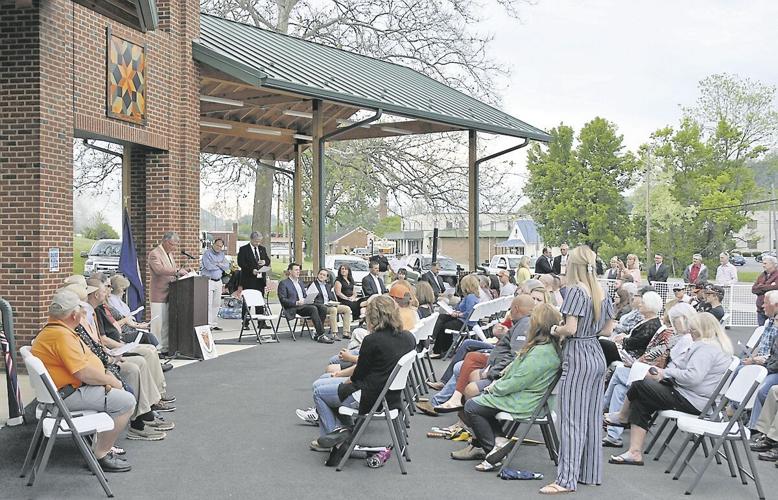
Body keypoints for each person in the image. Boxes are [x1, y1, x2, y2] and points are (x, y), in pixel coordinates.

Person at [606, 312, 733, 467]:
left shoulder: (706, 349)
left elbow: (692, 377)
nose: (690, 333)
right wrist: (667, 373)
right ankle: (634, 451)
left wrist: (665, 373)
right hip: (694, 396)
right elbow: (680, 366)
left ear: (702, 330)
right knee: (643, 397)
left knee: (640, 384)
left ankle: (623, 417)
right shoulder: (712, 346)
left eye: (693, 330)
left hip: (693, 400)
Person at [31, 289, 136, 472]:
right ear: (73, 315)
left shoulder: (57, 330)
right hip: (67, 395)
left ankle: (99, 446)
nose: (83, 313)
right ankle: (100, 454)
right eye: (80, 310)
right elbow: (83, 373)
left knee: (122, 393)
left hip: (63, 392)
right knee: (126, 402)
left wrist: (104, 377)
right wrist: (110, 381)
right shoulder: (61, 336)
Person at [540, 245, 615, 495]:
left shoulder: (574, 291)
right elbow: (607, 330)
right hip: (596, 352)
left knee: (571, 419)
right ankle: (589, 473)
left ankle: (566, 479)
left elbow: (570, 328)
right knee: (592, 419)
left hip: (578, 354)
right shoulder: (602, 291)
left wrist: (555, 330)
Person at [456, 303, 562, 471]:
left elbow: (519, 380)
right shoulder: (544, 347)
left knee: (471, 405)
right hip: (527, 396)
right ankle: (499, 442)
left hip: (527, 401)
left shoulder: (541, 352)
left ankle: (492, 450)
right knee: (476, 401)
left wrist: (495, 387)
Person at [309, 295, 415, 451]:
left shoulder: (373, 340)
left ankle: (332, 437)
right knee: (326, 382)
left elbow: (358, 376)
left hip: (369, 396)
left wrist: (342, 381)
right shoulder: (408, 337)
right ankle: (344, 429)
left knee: (319, 392)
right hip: (390, 395)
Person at [601, 301, 695, 447]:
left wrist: (644, 365)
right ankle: (613, 433)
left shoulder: (685, 338)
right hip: (661, 374)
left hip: (667, 379)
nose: (672, 324)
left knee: (620, 374)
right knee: (620, 386)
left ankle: (602, 412)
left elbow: (662, 358)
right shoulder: (677, 336)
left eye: (674, 321)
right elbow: (657, 354)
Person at [148, 232, 191, 355]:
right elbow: (159, 270)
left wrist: (184, 270)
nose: (174, 248)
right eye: (173, 245)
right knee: (158, 323)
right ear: (166, 242)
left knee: (166, 322)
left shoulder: (169, 254)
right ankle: (156, 349)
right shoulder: (154, 254)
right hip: (158, 293)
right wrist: (178, 270)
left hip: (170, 292)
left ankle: (165, 347)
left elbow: (173, 269)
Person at [278, 263, 333, 344]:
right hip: (294, 307)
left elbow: (304, 295)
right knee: (313, 309)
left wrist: (308, 299)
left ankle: (317, 333)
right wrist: (296, 302)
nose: (298, 272)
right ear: (290, 271)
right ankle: (321, 334)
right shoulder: (284, 283)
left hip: (304, 304)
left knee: (322, 307)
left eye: (299, 270)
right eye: (296, 270)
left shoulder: (300, 282)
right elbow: (283, 300)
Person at [430, 274, 480, 358]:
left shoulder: (470, 297)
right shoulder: (472, 296)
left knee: (444, 326)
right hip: (466, 321)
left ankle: (438, 349)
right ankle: (439, 343)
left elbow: (469, 312)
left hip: (465, 323)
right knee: (442, 317)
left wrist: (458, 314)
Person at [106, 274, 158, 346]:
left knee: (148, 336)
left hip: (127, 329)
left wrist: (137, 324)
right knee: (148, 337)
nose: (124, 293)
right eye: (124, 290)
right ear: (119, 288)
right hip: (123, 332)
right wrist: (133, 324)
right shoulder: (111, 302)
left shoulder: (117, 302)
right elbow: (121, 320)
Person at [237, 231, 271, 328]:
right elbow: (241, 263)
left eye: (259, 241)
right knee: (247, 301)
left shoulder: (262, 249)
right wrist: (251, 270)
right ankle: (245, 322)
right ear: (251, 240)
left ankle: (261, 322)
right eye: (256, 241)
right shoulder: (244, 249)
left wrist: (264, 262)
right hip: (249, 279)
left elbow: (268, 260)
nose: (257, 243)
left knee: (260, 301)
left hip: (260, 279)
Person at [312, 268, 352, 340]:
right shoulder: (313, 285)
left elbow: (331, 297)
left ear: (327, 277)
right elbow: (312, 299)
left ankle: (346, 332)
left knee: (347, 309)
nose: (321, 276)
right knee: (333, 310)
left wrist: (333, 302)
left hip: (329, 304)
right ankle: (334, 333)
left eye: (324, 275)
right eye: (320, 274)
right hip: (321, 306)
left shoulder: (328, 286)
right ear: (317, 275)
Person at [200, 238, 231, 331]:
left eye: (221, 246)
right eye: (217, 245)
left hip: (218, 281)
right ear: (213, 244)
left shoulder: (221, 254)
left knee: (216, 303)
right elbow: (208, 266)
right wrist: (220, 265)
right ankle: (208, 324)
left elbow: (227, 266)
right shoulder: (207, 253)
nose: (219, 248)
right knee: (208, 303)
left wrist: (218, 264)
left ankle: (214, 323)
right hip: (208, 280)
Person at [753, 254, 778, 326]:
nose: (763, 265)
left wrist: (761, 286)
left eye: (765, 263)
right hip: (760, 310)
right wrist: (768, 286)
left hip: (773, 311)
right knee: (761, 332)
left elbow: (775, 287)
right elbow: (754, 289)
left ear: (773, 264)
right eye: (762, 263)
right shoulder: (762, 275)